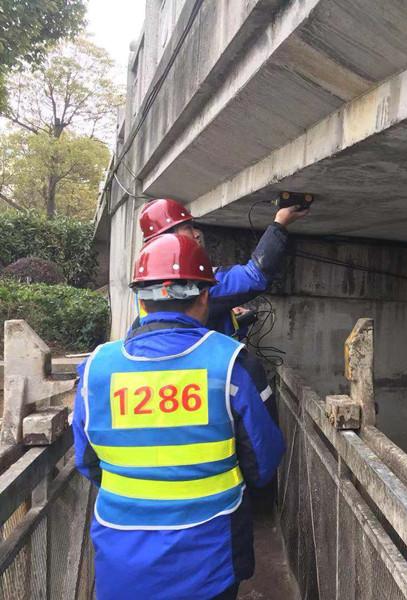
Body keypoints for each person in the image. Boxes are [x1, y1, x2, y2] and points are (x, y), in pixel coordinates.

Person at [72, 233, 285, 600]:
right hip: (209, 562)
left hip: (121, 562)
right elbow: (263, 463)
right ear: (205, 295)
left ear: (140, 298)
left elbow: (88, 462)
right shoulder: (231, 363)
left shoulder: (96, 369)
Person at [137, 197, 309, 336]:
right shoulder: (194, 282)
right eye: (188, 228)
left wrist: (229, 315)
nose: (197, 234)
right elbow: (256, 275)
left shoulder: (148, 283)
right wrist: (279, 224)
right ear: (167, 237)